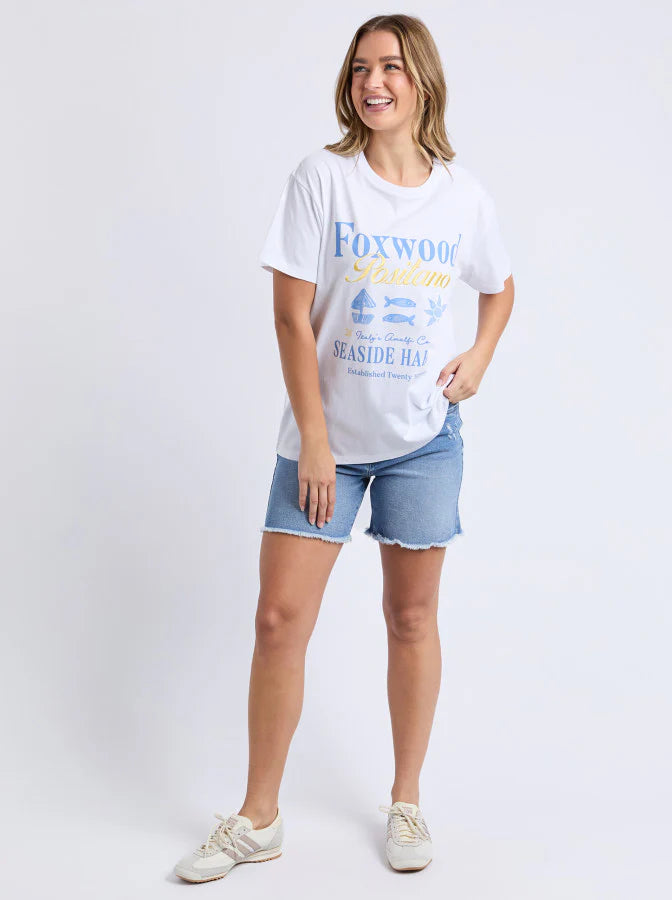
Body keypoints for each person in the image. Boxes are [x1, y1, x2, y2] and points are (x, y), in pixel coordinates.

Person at [173, 13, 514, 882]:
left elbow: (500, 287)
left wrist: (478, 357)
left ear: (422, 79)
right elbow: (291, 317)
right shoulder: (322, 180)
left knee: (412, 618)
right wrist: (316, 442)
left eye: (391, 67)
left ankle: (407, 799)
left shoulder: (462, 196)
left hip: (423, 443)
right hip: (324, 444)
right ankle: (258, 818)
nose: (374, 83)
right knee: (279, 619)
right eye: (361, 68)